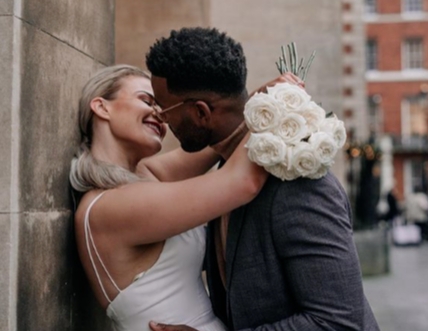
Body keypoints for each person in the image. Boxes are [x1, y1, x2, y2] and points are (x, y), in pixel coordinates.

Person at [145, 27, 380, 331]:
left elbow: (338, 322)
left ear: (201, 113)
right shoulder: (226, 173)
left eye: (165, 111)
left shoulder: (298, 182)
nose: (164, 121)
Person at [70, 64, 272, 331]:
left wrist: (262, 98)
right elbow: (244, 182)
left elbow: (222, 137)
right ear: (102, 107)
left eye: (162, 108)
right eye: (146, 101)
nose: (160, 115)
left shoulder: (144, 175)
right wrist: (278, 108)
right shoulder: (111, 206)